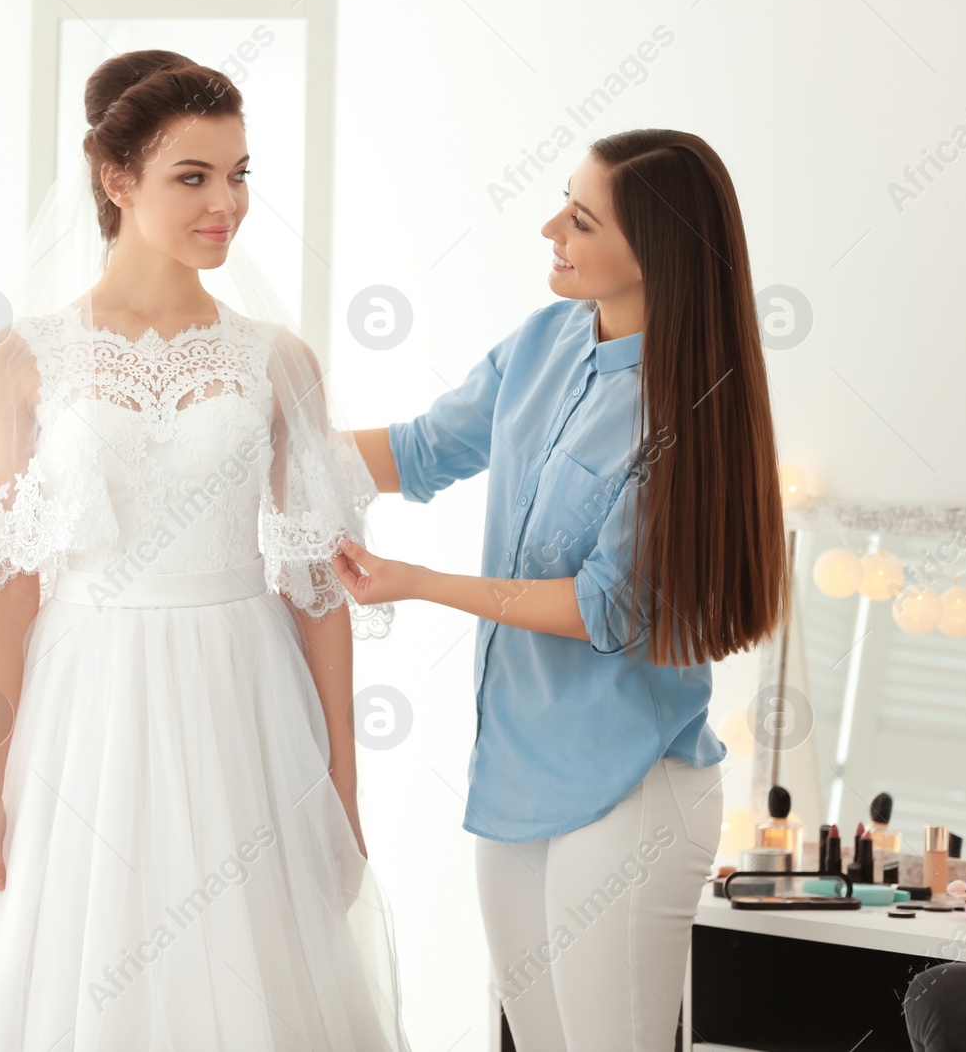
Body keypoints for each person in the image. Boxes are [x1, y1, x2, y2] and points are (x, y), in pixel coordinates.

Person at [0, 51, 411, 1051]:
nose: (226, 204)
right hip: (85, 704)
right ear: (116, 180)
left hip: (244, 696)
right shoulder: (24, 357)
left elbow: (315, 589)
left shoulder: (278, 358)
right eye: (192, 177)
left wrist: (341, 787)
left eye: (238, 174)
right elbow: (5, 582)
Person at [329, 130, 790, 1050]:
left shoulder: (684, 410)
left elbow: (601, 607)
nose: (551, 228)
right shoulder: (543, 339)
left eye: (580, 218)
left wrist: (420, 582)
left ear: (652, 251)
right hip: (514, 777)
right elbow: (421, 450)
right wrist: (253, 435)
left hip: (630, 786)